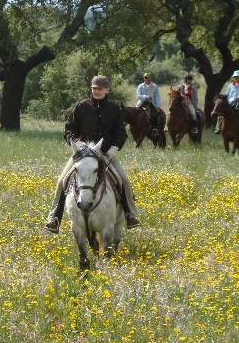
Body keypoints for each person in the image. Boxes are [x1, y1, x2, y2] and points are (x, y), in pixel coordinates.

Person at [44, 75, 140, 234]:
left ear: (107, 89)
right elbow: (69, 129)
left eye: (100, 89)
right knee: (62, 181)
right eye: (94, 88)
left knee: (123, 180)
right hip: (83, 156)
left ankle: (131, 213)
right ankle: (53, 218)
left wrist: (115, 148)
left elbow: (121, 134)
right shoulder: (81, 106)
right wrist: (77, 144)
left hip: (105, 155)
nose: (96, 91)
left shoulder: (115, 109)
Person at [136, 72, 163, 137]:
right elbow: (138, 95)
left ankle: (155, 129)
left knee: (154, 115)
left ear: (150, 78)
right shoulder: (140, 86)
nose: (146, 79)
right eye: (145, 78)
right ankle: (134, 128)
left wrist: (158, 106)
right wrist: (145, 96)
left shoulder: (154, 86)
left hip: (151, 103)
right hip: (142, 102)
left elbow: (157, 97)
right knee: (135, 113)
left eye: (147, 78)